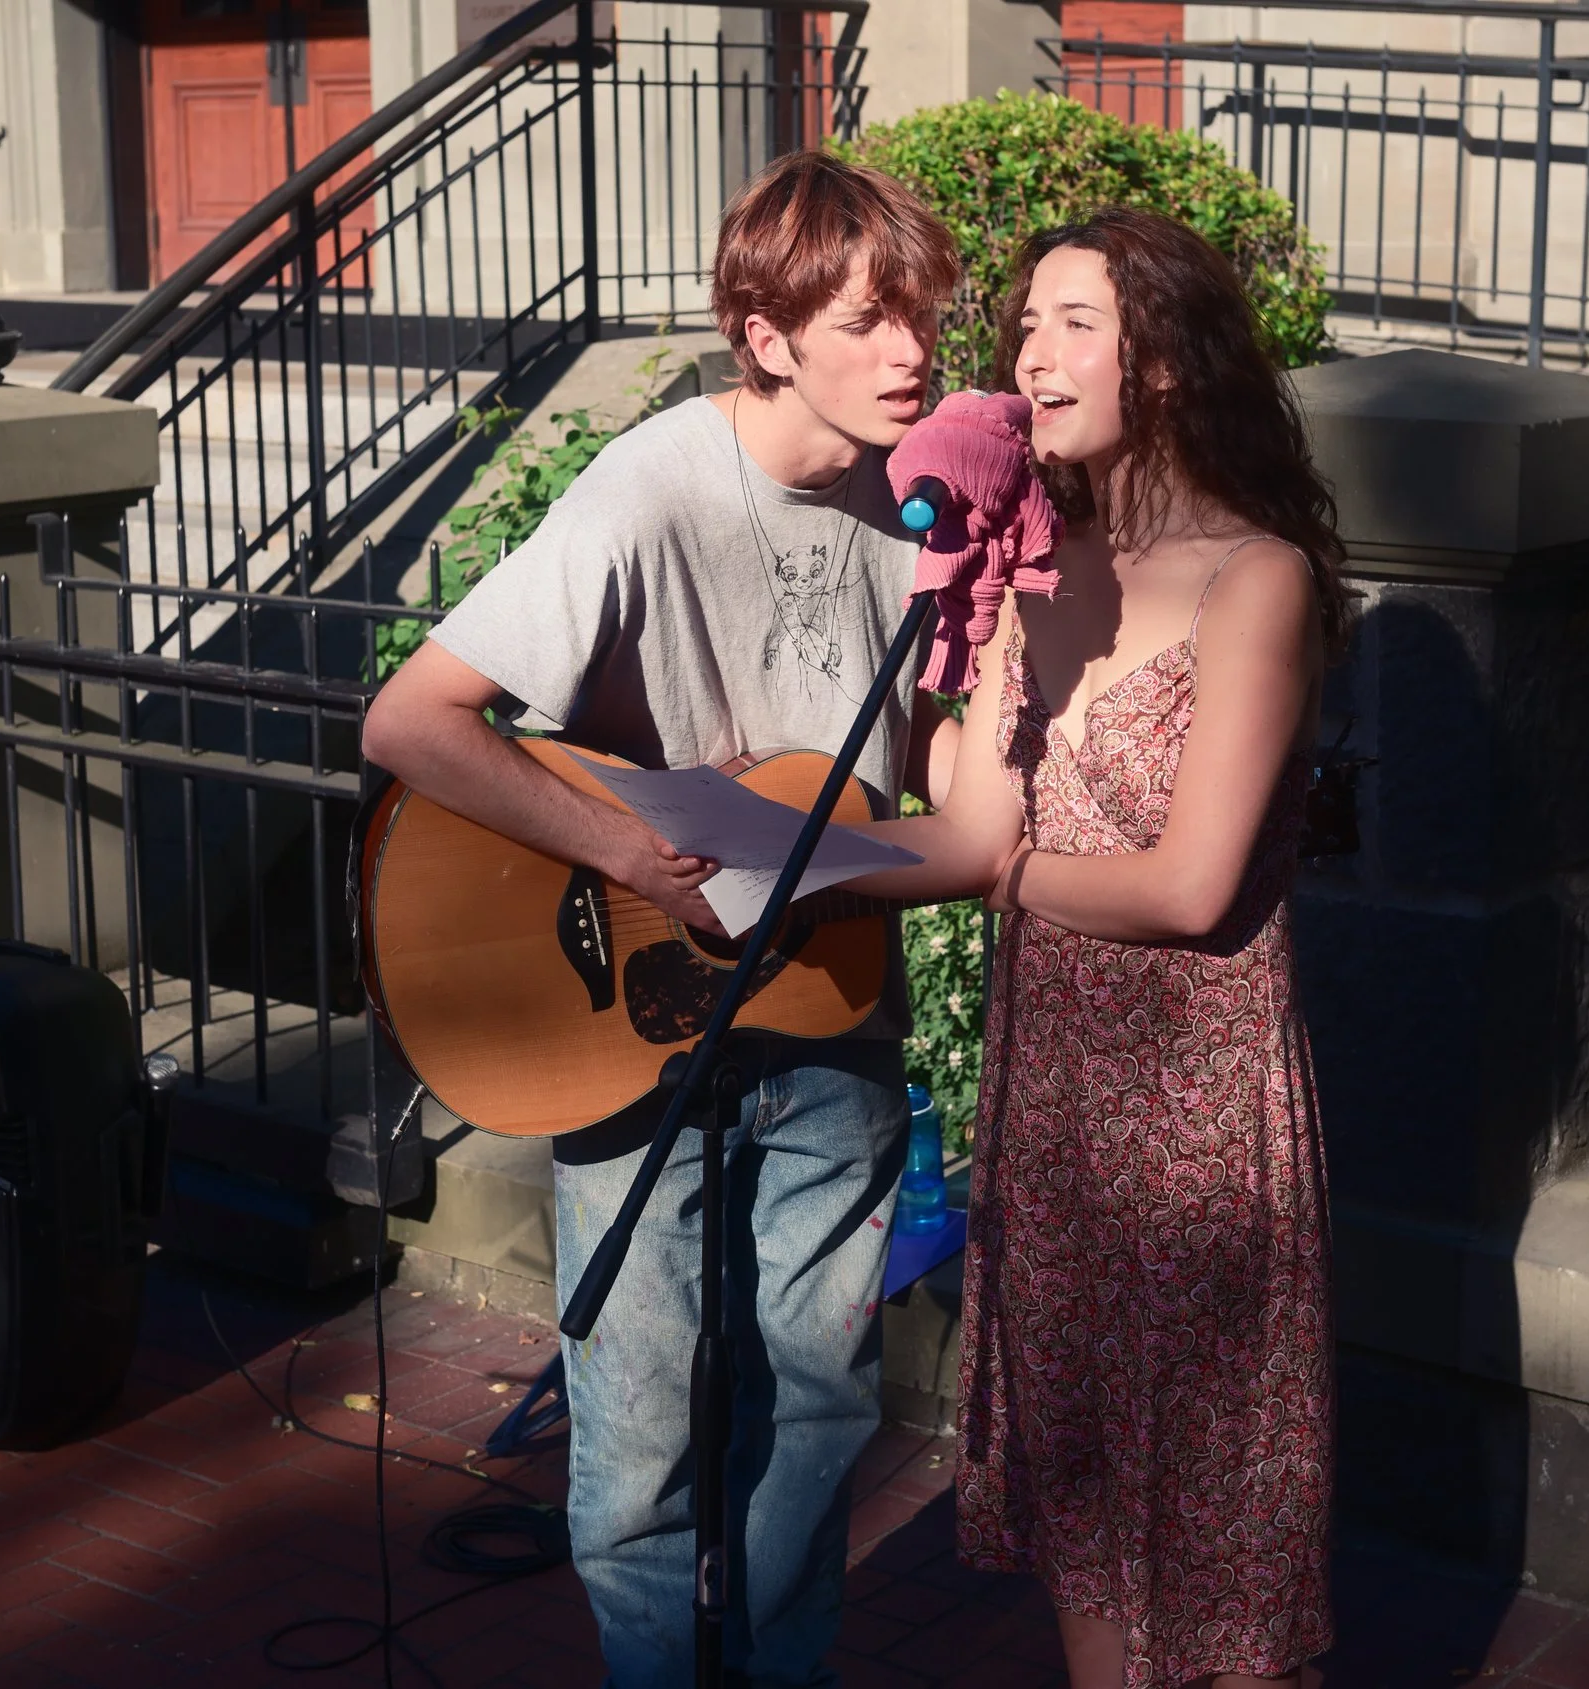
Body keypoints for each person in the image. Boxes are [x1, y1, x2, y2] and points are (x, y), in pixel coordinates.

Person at [359, 150, 961, 1687]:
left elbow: (939, 794)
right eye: (872, 321)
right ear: (769, 336)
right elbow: (415, 723)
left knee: (819, 1407)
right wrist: (622, 852)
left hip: (830, 1004)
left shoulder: (930, 512)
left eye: (926, 317)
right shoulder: (655, 484)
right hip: (636, 1019)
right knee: (635, 1429)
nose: (914, 353)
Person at [855, 207, 1352, 1689]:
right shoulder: (1033, 562)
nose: (1032, 354)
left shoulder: (1255, 578)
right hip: (1056, 1095)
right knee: (1080, 1508)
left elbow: (1192, 887)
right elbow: (965, 822)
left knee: (1219, 1541)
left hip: (1197, 1109)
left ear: (1171, 361)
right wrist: (951, 635)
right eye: (1025, 325)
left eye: (1076, 321)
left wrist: (1005, 872)